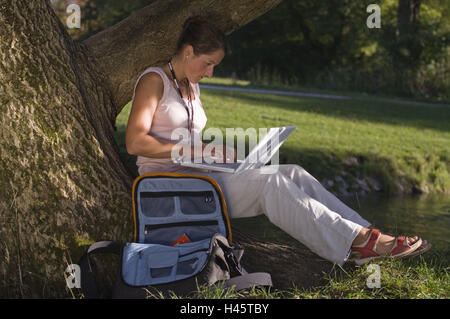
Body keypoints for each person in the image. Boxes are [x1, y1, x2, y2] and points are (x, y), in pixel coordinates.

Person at [125, 16, 430, 266]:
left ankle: (364, 233)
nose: (211, 71)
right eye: (207, 63)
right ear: (188, 51)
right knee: (269, 184)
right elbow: (135, 143)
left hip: (198, 175)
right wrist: (194, 150)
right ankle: (357, 243)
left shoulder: (191, 86)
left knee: (291, 171)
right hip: (168, 187)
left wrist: (216, 153)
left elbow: (186, 141)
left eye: (214, 65)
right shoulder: (154, 81)